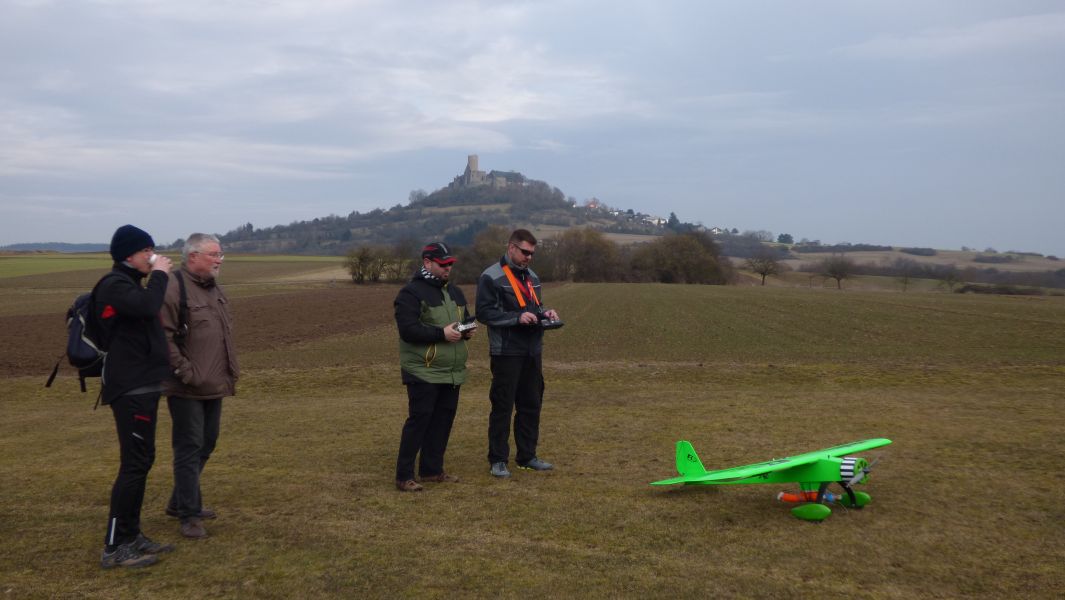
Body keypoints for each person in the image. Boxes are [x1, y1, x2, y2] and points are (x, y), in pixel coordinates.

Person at [97, 224, 175, 569]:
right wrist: (160, 275)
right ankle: (114, 547)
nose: (152, 256)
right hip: (130, 389)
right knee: (133, 465)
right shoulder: (114, 285)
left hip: (143, 386)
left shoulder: (128, 284)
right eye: (146, 251)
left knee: (142, 461)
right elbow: (146, 307)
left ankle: (132, 535)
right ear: (129, 254)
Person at [159, 233, 239, 538]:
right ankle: (189, 515)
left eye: (221, 255)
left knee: (207, 442)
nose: (219, 260)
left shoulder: (213, 288)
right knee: (189, 447)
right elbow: (162, 336)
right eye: (213, 254)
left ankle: (179, 500)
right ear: (192, 256)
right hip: (186, 385)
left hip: (213, 381)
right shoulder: (173, 287)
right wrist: (185, 371)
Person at [476, 229, 561, 478]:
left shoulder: (532, 277)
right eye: (525, 252)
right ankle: (498, 460)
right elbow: (484, 313)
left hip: (533, 351)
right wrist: (517, 318)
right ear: (511, 248)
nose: (529, 257)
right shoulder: (491, 276)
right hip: (506, 352)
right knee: (503, 406)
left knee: (531, 404)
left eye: (532, 253)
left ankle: (527, 456)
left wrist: (545, 314)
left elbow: (534, 306)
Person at [393, 242, 474, 491]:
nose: (448, 268)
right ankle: (404, 476)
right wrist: (441, 334)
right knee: (419, 421)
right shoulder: (410, 293)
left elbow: (464, 320)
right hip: (422, 370)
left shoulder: (455, 292)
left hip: (452, 371)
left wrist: (466, 329)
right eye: (443, 264)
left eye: (450, 264)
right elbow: (408, 330)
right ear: (427, 263)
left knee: (442, 422)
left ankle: (431, 470)